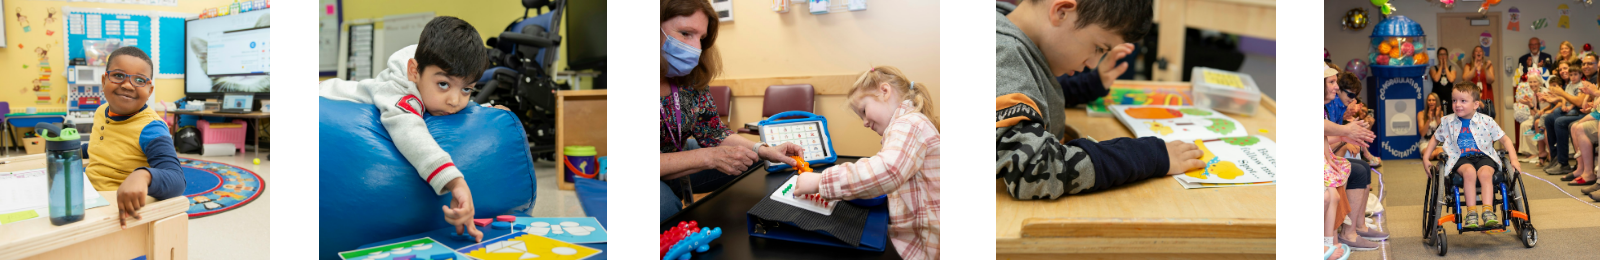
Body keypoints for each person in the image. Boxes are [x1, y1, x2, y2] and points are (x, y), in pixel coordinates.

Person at [994, 0, 1204, 200]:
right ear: (1062, 11)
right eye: (1098, 47)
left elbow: (1031, 95)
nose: (1094, 63)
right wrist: (1147, 156)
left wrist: (1090, 85)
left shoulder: (1007, 28)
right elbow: (1036, 169)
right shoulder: (1004, 54)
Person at [318, 16, 495, 242]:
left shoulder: (432, 78)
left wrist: (487, 110)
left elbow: (459, 98)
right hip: (325, 95)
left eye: (467, 89)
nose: (454, 100)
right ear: (414, 71)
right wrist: (455, 181)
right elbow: (409, 131)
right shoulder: (399, 93)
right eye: (443, 84)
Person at [657, 0, 805, 221]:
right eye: (686, 33)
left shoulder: (690, 78)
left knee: (748, 159)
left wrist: (763, 149)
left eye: (701, 38)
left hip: (674, 153)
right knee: (664, 210)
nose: (696, 48)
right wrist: (707, 157)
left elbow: (714, 132)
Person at [792, 66, 940, 260]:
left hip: (926, 248)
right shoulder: (909, 124)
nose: (864, 123)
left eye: (863, 110)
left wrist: (820, 181)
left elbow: (888, 171)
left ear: (885, 91)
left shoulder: (909, 123)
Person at [86, 46, 185, 228]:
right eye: (118, 75)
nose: (127, 85)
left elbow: (177, 179)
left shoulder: (151, 128)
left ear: (149, 90)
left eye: (139, 80)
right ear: (104, 80)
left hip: (117, 211)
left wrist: (143, 175)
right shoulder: (101, 111)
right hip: (88, 197)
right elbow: (101, 144)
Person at [1423, 82, 1522, 229]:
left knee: (1485, 174)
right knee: (1469, 172)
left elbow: (1505, 139)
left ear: (1476, 104)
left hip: (1483, 156)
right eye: (1454, 100)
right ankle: (1471, 213)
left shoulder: (1486, 121)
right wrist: (1426, 158)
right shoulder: (1447, 121)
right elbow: (1435, 138)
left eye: (1463, 101)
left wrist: (1514, 159)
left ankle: (1488, 211)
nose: (1457, 105)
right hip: (1460, 157)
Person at [1324, 64, 1377, 259]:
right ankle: (1343, 235)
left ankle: (1353, 228)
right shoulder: (1328, 107)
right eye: (1332, 82)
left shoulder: (1328, 107)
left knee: (1359, 169)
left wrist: (1346, 135)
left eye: (1336, 83)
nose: (1335, 87)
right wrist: (1345, 135)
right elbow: (1328, 137)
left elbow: (1326, 141)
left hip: (1326, 158)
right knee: (1357, 171)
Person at [1545, 61, 1590, 176]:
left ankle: (1563, 162)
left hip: (1579, 111)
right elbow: (1565, 98)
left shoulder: (1583, 84)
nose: (1572, 76)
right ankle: (1555, 156)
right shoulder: (1569, 85)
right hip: (1571, 109)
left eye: (1575, 74)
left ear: (1580, 75)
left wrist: (1567, 105)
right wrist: (1563, 104)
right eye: (1571, 74)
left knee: (1559, 121)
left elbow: (1577, 102)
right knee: (1549, 118)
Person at [1464, 46, 1498, 112]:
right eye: (1476, 51)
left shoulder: (1488, 65)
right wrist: (1474, 67)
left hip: (1486, 92)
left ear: (1483, 54)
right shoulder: (1468, 65)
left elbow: (1491, 80)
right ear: (1473, 54)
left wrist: (1486, 69)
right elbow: (1465, 79)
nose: (1478, 52)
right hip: (1472, 93)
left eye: (1480, 51)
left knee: (1487, 111)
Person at [1432, 47, 1458, 114]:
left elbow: (1451, 79)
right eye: (1441, 54)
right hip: (1437, 97)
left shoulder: (1451, 68)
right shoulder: (1433, 68)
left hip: (1449, 97)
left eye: (1444, 54)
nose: (1443, 56)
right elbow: (1436, 79)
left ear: (1447, 56)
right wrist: (1441, 66)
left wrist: (1445, 66)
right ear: (1438, 56)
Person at [1420, 92, 1445, 159]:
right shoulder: (1421, 114)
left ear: (1437, 102)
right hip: (1426, 142)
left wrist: (1437, 117)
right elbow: (1422, 133)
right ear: (1427, 102)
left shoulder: (1441, 113)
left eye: (1433, 100)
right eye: (1429, 100)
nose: (1431, 102)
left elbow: (1443, 132)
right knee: (1430, 156)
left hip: (1438, 142)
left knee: (1440, 155)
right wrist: (1429, 119)